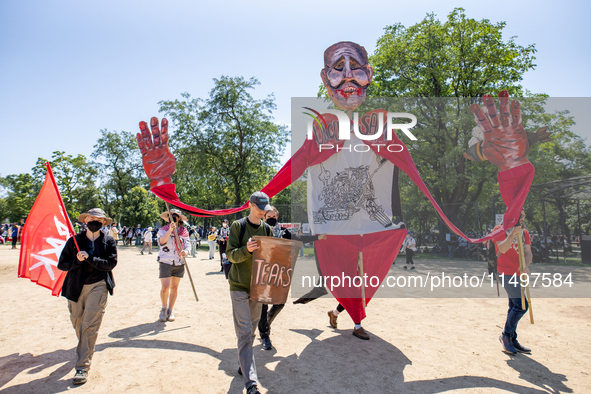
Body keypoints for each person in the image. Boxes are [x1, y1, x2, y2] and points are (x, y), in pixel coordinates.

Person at [57, 208, 117, 385]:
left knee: (89, 325)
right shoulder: (74, 241)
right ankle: (86, 346)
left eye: (98, 219)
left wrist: (90, 258)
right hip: (75, 288)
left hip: (98, 286)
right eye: (91, 218)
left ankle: (82, 367)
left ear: (104, 223)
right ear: (85, 221)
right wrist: (77, 260)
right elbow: (62, 264)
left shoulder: (109, 241)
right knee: (78, 322)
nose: (94, 221)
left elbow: (110, 263)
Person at [258, 206, 326, 350]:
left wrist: (316, 238)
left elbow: (298, 239)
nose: (272, 218)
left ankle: (268, 320)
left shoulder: (284, 231)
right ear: (264, 217)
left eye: (274, 216)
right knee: (262, 304)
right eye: (269, 216)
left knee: (280, 302)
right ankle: (264, 335)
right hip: (263, 271)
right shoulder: (259, 230)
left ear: (277, 217)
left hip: (280, 271)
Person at [226, 191, 274, 394]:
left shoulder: (268, 229)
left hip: (258, 287)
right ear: (251, 206)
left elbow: (272, 258)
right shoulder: (238, 226)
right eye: (260, 208)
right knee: (244, 332)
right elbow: (230, 255)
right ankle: (251, 383)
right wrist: (246, 250)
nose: (264, 212)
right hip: (238, 286)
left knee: (251, 332)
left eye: (266, 209)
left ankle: (243, 364)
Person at [493, 210, 532, 355]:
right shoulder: (499, 230)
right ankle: (506, 335)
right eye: (520, 216)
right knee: (522, 306)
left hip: (519, 273)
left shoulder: (524, 233)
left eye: (523, 216)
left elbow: (528, 252)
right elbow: (502, 248)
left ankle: (512, 338)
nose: (522, 218)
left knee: (513, 306)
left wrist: (526, 266)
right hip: (505, 272)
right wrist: (512, 234)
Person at [156, 209, 191, 322]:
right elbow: (162, 242)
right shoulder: (163, 230)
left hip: (179, 262)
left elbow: (188, 245)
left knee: (174, 288)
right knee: (165, 287)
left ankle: (170, 309)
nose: (173, 218)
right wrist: (170, 229)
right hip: (165, 261)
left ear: (179, 218)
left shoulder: (184, 231)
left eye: (175, 216)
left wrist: (186, 252)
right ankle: (164, 308)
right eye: (171, 216)